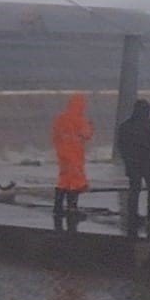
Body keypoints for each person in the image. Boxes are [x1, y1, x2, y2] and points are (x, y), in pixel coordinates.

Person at [116, 99, 150, 239]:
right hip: (149, 164)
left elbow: (121, 145)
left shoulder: (125, 126)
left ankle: (132, 215)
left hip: (133, 163)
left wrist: (127, 160)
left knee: (134, 189)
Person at [50, 94, 93, 228]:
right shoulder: (80, 120)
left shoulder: (60, 119)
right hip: (75, 154)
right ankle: (72, 208)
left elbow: (54, 136)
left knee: (63, 180)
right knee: (75, 182)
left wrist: (61, 148)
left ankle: (58, 207)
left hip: (62, 154)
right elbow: (86, 135)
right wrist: (91, 127)